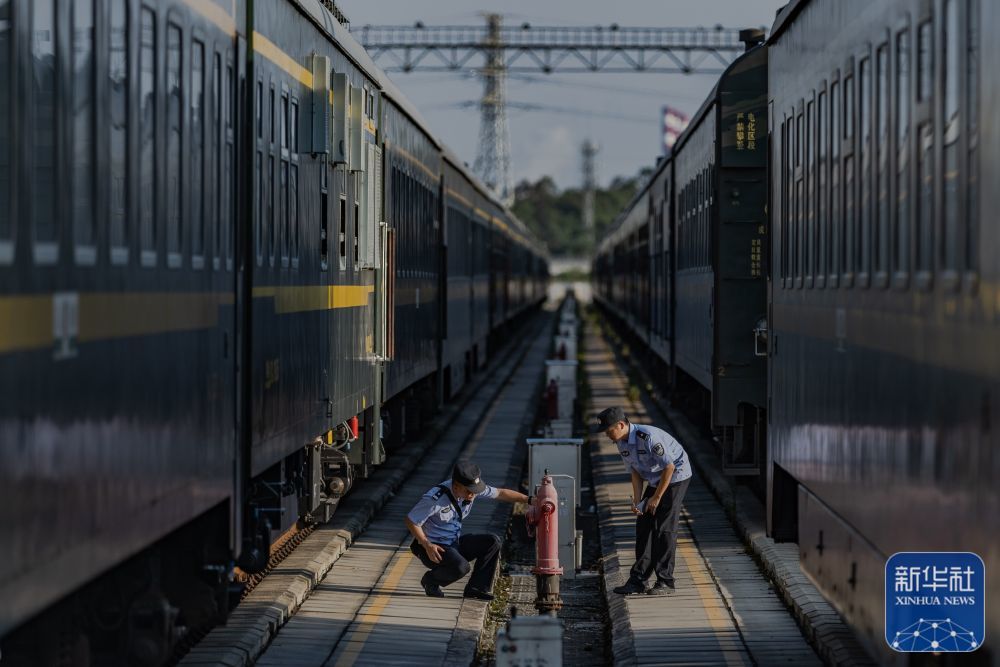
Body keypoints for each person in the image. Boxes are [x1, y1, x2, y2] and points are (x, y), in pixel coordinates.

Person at [591, 406, 692, 596]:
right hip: (655, 477)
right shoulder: (621, 442)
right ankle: (638, 580)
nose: (606, 435)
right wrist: (638, 501)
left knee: (664, 527)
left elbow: (669, 467)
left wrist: (656, 497)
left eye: (608, 430)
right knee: (644, 525)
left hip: (676, 476)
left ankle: (665, 581)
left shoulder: (648, 437)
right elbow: (635, 472)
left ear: (621, 425)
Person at [406, 461, 528, 600]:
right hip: (434, 549)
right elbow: (411, 520)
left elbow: (500, 493)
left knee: (492, 542)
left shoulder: (472, 490)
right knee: (462, 567)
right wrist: (426, 544)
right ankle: (431, 580)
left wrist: (528, 499)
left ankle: (476, 588)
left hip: (453, 544)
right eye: (468, 491)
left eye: (475, 491)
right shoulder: (435, 499)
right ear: (456, 487)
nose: (472, 495)